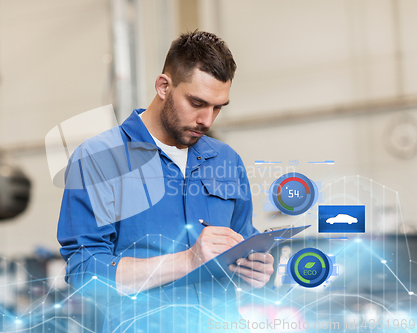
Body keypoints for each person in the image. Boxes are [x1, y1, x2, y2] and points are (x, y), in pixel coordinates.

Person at [57, 30, 274, 332]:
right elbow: (85, 275)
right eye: (197, 102)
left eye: (218, 107)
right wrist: (187, 260)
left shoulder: (226, 160)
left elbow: (238, 246)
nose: (207, 120)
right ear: (163, 86)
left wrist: (256, 269)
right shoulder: (99, 159)